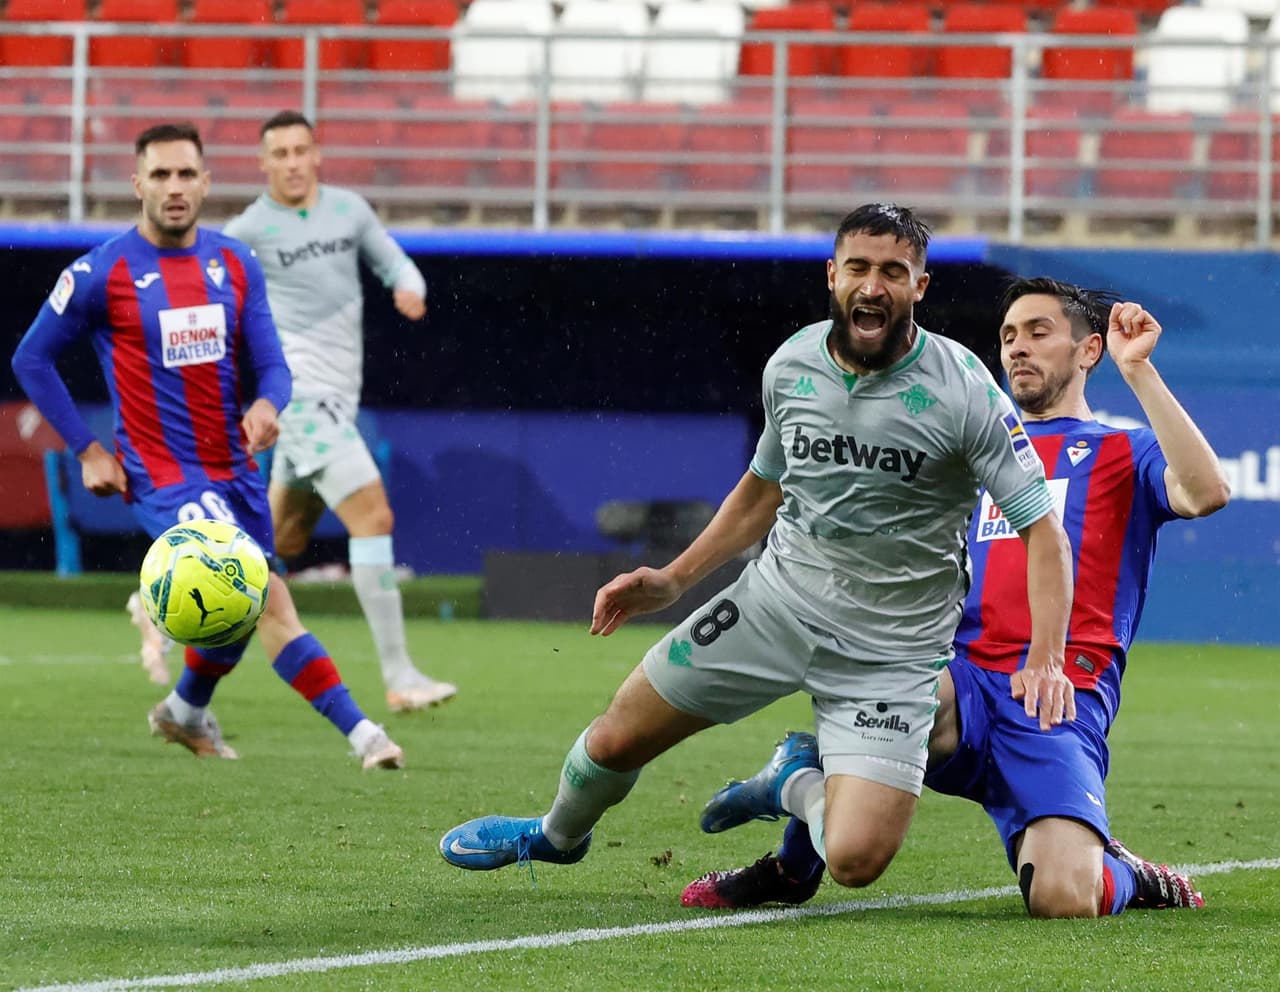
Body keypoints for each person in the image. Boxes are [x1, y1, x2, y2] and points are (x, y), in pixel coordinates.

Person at [437, 204, 1075, 886]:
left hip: (892, 651)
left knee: (855, 860)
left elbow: (1043, 529)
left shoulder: (965, 390)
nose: (873, 286)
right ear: (832, 275)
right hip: (777, 605)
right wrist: (675, 579)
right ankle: (556, 835)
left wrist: (1046, 658)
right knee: (617, 737)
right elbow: (763, 490)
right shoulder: (792, 365)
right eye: (858, 268)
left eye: (894, 272)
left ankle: (790, 780)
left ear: (920, 286)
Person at [681, 278, 1230, 917]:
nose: (1017, 348)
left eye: (1039, 332)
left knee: (1064, 898)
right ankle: (793, 863)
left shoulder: (1121, 451)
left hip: (1056, 698)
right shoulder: (970, 457)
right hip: (959, 679)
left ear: (1089, 351)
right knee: (879, 703)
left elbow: (1206, 492)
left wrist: (1139, 371)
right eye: (1008, 336)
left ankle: (1124, 873)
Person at [11, 122, 405, 770]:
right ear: (137, 183)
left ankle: (184, 709)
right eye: (160, 174)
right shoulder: (101, 272)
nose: (174, 187)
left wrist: (266, 405)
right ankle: (365, 735)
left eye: (186, 174)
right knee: (266, 594)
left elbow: (272, 365)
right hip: (163, 474)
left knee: (234, 611)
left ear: (206, 182)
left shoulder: (234, 262)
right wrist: (87, 449)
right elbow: (31, 359)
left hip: (236, 470)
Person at [127, 109, 455, 712]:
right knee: (374, 517)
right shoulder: (249, 229)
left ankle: (160, 614)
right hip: (299, 399)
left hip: (338, 399)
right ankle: (400, 676)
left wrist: (411, 286)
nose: (293, 163)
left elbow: (394, 261)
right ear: (263, 164)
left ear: (317, 153)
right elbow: (199, 280)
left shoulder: (349, 211)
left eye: (301, 151)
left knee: (272, 546)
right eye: (279, 154)